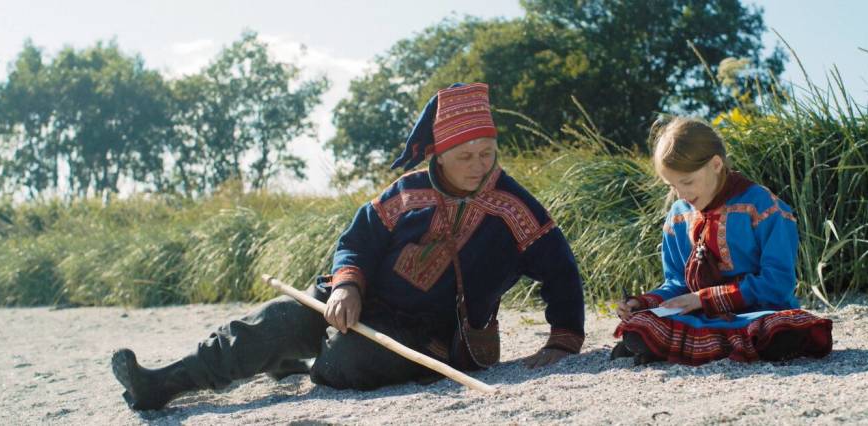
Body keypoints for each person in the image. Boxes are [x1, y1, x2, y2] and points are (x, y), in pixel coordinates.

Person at [111, 82, 586, 410]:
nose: (479, 166)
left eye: (487, 153)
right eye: (465, 156)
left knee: (345, 363)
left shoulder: (515, 206)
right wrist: (346, 287)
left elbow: (560, 269)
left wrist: (564, 339)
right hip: (357, 304)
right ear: (438, 153)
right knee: (266, 325)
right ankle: (162, 384)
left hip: (429, 339)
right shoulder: (404, 192)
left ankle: (298, 361)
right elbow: (356, 240)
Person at [610, 116, 832, 366]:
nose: (681, 194)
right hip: (700, 318)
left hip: (758, 315)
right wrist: (642, 303)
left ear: (716, 164)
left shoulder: (764, 208)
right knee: (638, 326)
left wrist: (703, 299)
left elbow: (777, 283)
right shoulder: (678, 216)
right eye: (672, 186)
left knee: (784, 329)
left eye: (687, 181)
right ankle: (683, 344)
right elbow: (676, 284)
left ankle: (671, 348)